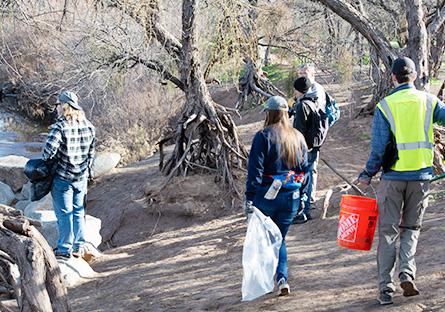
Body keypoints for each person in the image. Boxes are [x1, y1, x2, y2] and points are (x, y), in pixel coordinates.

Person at [356, 57, 445, 305]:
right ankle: (406, 272)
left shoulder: (385, 106)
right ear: (415, 76)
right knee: (412, 229)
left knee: (388, 232)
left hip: (393, 179)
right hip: (422, 178)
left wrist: (366, 174)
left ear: (393, 78)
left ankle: (385, 290)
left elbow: (378, 149)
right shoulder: (429, 102)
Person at [244, 96, 308, 296]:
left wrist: (250, 198)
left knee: (266, 239)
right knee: (279, 238)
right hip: (292, 197)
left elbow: (255, 171)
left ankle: (268, 279)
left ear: (269, 114)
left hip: (266, 196)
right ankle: (281, 278)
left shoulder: (263, 136)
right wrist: (303, 196)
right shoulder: (297, 136)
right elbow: (304, 171)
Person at [42, 90, 96, 260]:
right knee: (79, 212)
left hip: (63, 179)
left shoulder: (60, 126)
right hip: (80, 178)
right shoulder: (89, 126)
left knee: (64, 213)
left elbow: (47, 153)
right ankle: (79, 247)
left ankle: (64, 248)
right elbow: (91, 155)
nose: (56, 108)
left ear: (64, 106)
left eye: (57, 104)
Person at [291, 77, 329, 224]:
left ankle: (302, 212)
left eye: (295, 89)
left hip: (304, 148)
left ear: (299, 90)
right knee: (308, 178)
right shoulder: (313, 102)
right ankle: (306, 209)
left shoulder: (302, 106)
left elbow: (299, 130)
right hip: (313, 146)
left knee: (302, 179)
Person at [297, 64, 326, 204]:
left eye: (305, 72)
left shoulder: (315, 90)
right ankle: (305, 199)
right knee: (305, 169)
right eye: (300, 72)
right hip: (308, 137)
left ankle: (308, 200)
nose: (302, 74)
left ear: (312, 74)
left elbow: (313, 114)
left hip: (310, 138)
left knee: (310, 169)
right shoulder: (304, 89)